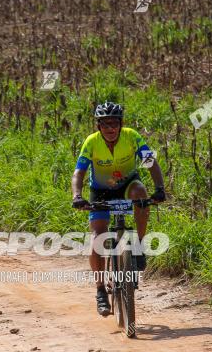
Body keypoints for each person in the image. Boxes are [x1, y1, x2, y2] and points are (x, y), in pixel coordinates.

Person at [70, 101, 166, 316]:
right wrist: (77, 195)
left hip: (127, 186)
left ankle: (139, 245)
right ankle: (101, 291)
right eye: (105, 124)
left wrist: (159, 188)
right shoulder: (91, 142)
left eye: (114, 123)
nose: (110, 128)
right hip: (101, 191)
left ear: (121, 124)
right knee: (98, 237)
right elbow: (79, 173)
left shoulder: (132, 136)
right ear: (98, 126)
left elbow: (150, 162)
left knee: (141, 192)